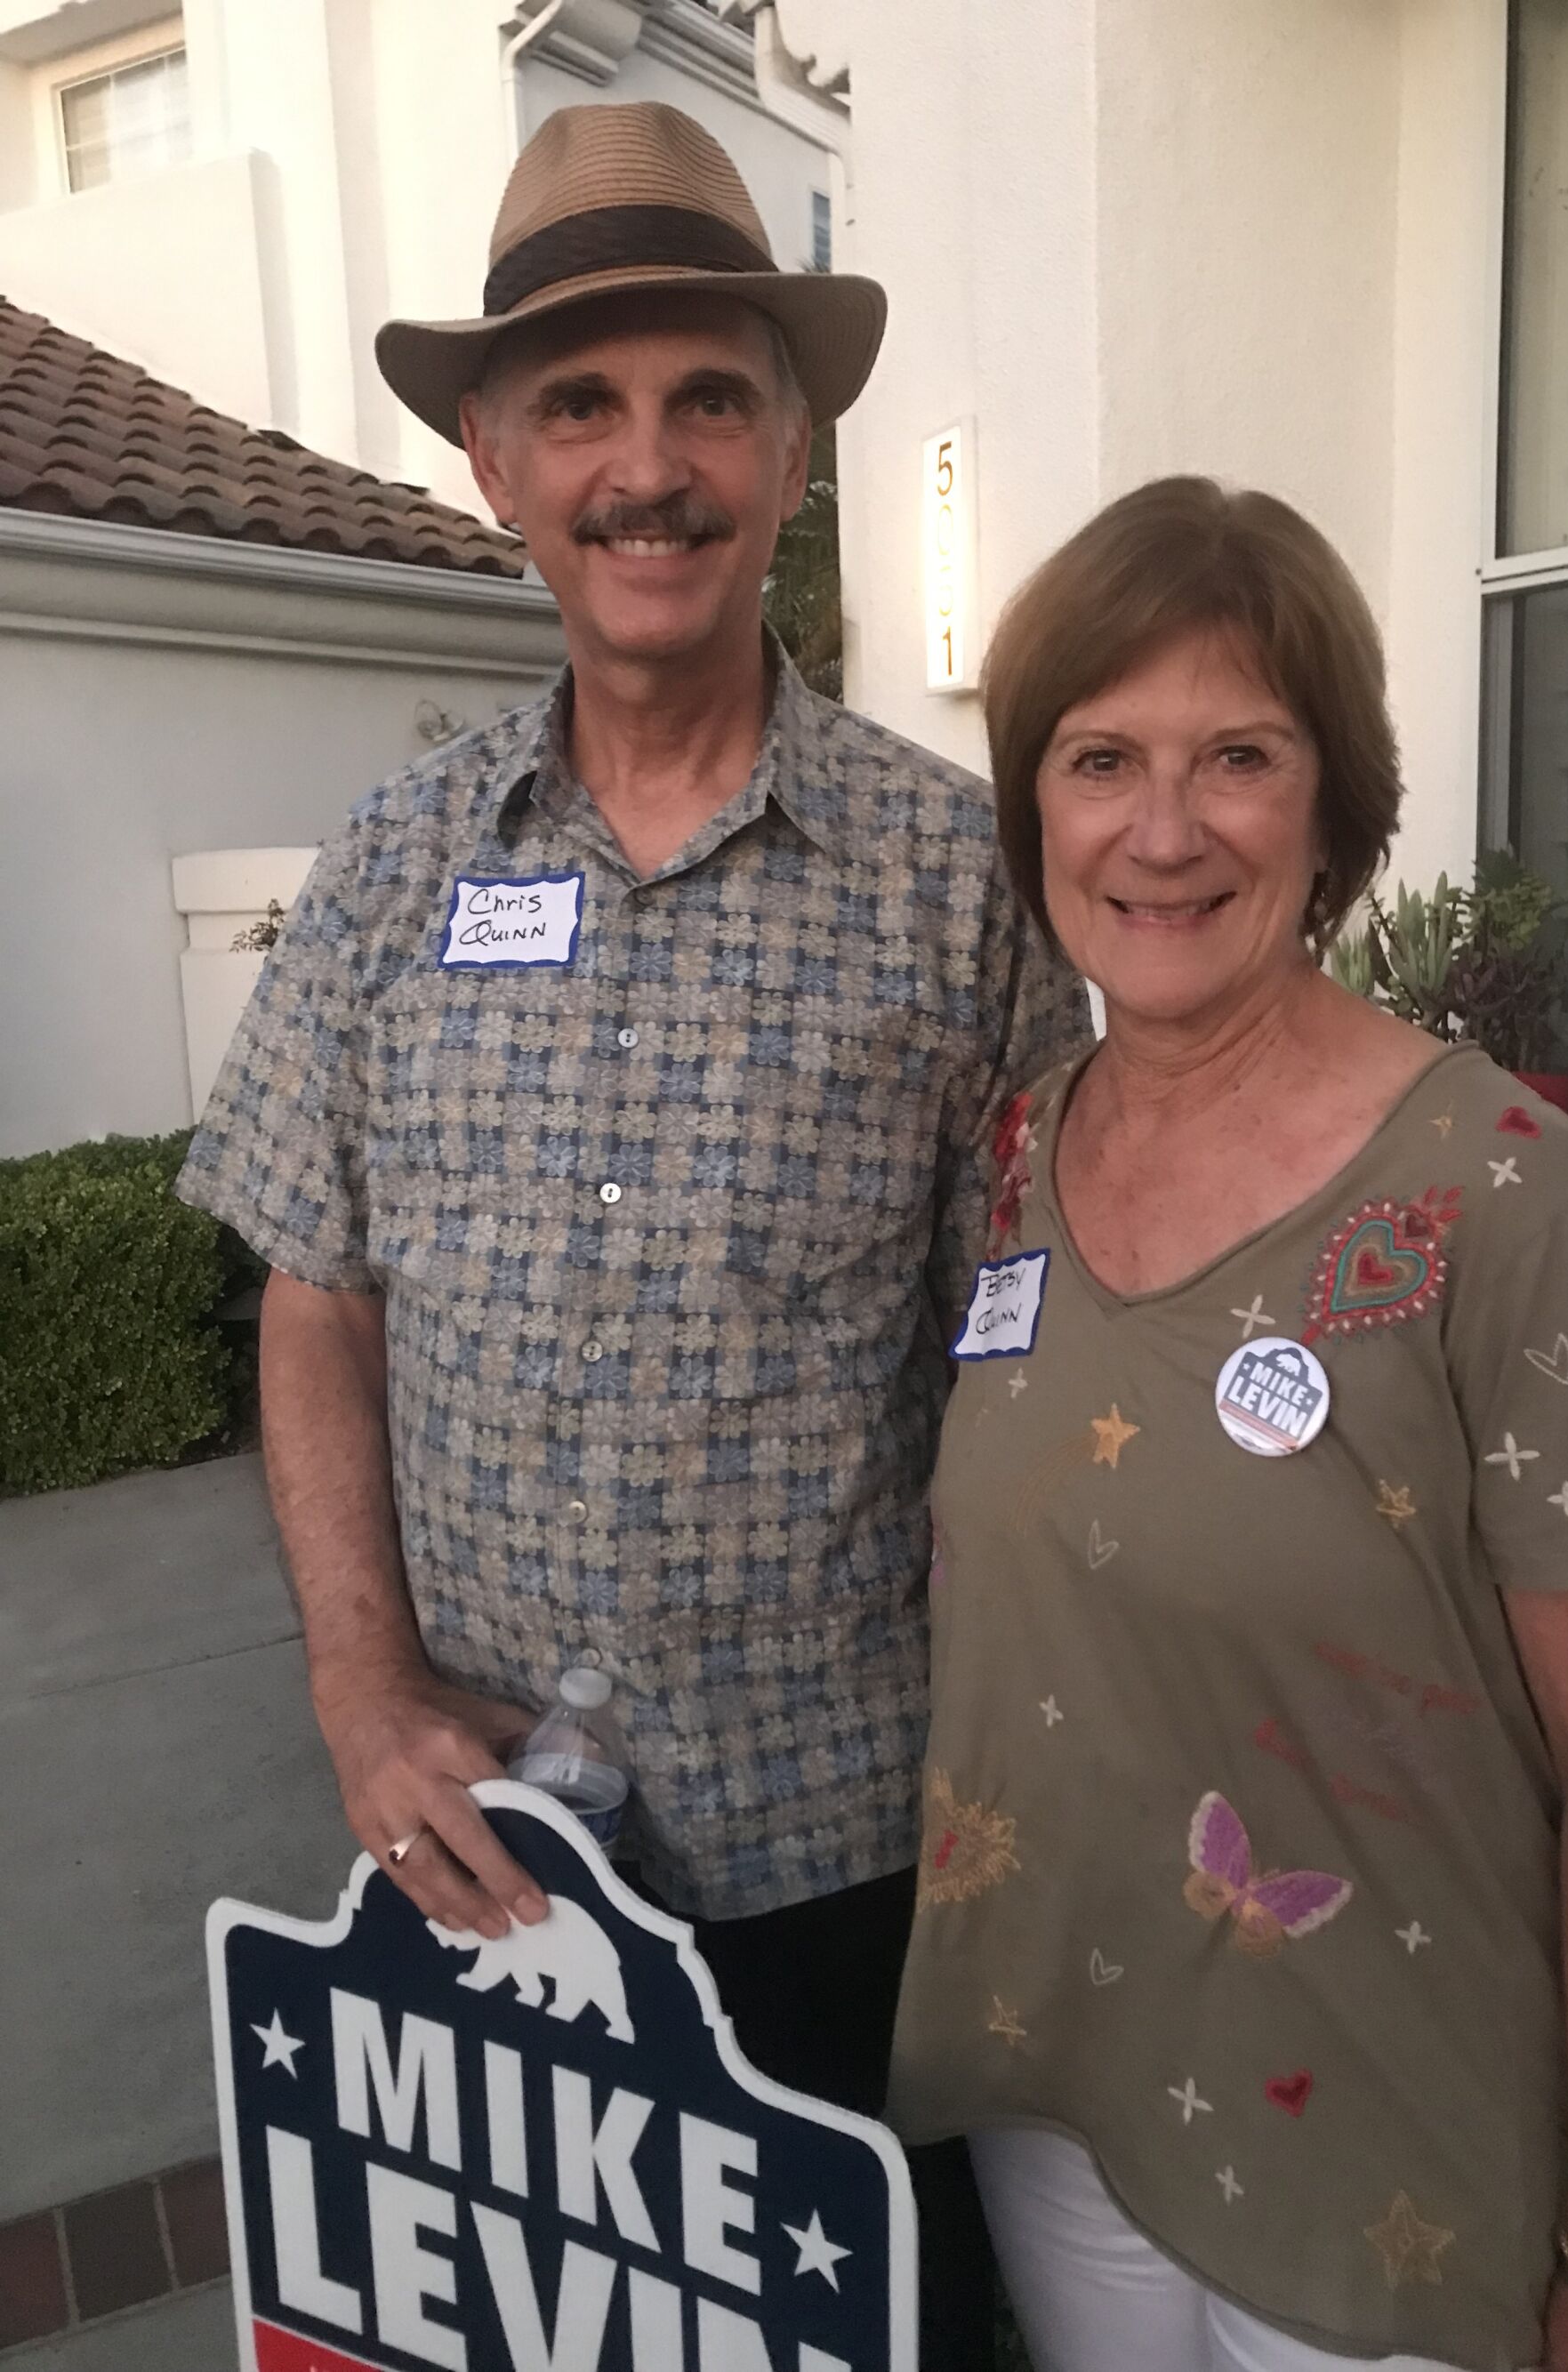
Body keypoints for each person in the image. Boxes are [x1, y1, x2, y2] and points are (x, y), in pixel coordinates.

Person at [178, 101, 1089, 2363]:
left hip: (851, 1864)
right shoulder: (391, 866)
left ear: (794, 452)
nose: (646, 465)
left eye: (709, 398)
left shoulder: (961, 881)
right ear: (494, 460)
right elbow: (316, 1299)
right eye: (579, 402)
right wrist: (358, 1678)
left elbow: (1058, 1349)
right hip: (478, 1858)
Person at [888, 477, 1568, 2372]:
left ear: (1333, 803)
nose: (1161, 829)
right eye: (1100, 757)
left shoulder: (1508, 1201)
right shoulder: (1018, 1144)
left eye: (1237, 756)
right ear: (1033, 807)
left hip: (1383, 2141)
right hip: (1067, 2086)